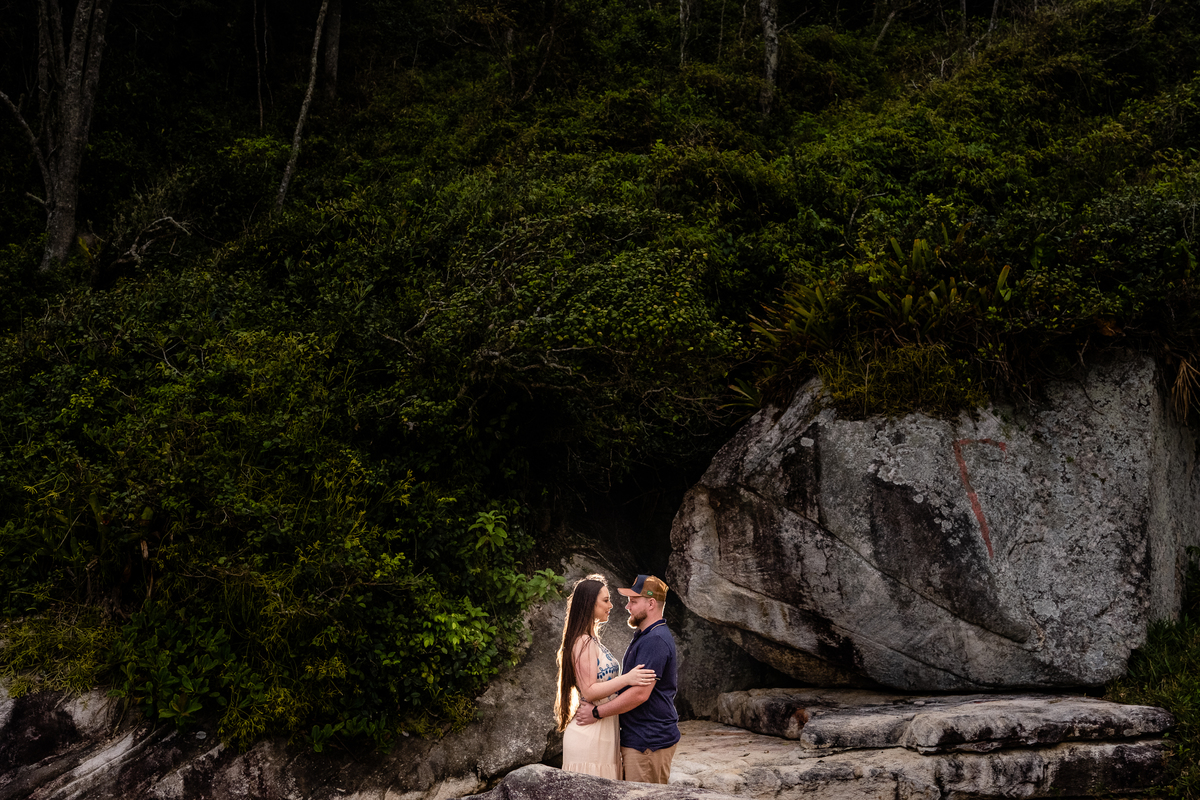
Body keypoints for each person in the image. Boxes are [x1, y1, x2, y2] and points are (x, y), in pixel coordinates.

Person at [575, 574, 680, 784]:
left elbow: (640, 694)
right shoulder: (645, 634)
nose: (627, 606)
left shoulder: (655, 640)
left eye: (633, 601)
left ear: (651, 603)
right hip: (640, 738)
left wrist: (596, 713)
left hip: (648, 742)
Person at [555, 574, 656, 779]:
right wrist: (627, 679)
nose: (611, 605)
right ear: (589, 604)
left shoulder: (592, 639)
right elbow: (589, 691)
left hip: (603, 731)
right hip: (589, 737)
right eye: (606, 600)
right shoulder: (582, 642)